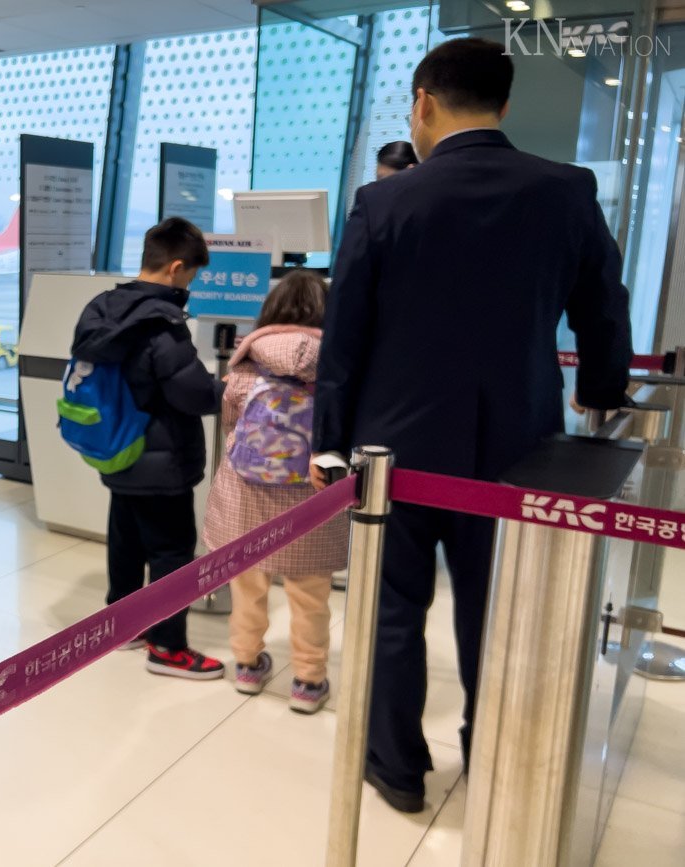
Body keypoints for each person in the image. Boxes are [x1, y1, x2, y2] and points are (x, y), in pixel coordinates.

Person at [312, 37, 632, 813]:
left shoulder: (383, 200)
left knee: (393, 608)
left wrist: (329, 440)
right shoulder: (566, 189)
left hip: (395, 450)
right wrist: (600, 389)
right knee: (498, 613)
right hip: (518, 449)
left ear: (423, 101)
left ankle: (394, 766)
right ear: (505, 105)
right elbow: (603, 305)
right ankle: (490, 758)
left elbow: (345, 332)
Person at [70, 217, 226, 679]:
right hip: (162, 460)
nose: (190, 283)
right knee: (173, 552)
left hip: (115, 448)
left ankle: (122, 625)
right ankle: (168, 647)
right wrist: (227, 388)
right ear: (176, 267)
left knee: (126, 537)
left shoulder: (101, 308)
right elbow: (193, 394)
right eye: (191, 275)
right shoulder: (162, 324)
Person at [203, 271, 348, 713]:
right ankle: (308, 680)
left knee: (248, 589)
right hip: (312, 505)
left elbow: (232, 430)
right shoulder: (338, 375)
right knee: (310, 598)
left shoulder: (245, 371)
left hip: (247, 502)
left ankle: (247, 666)